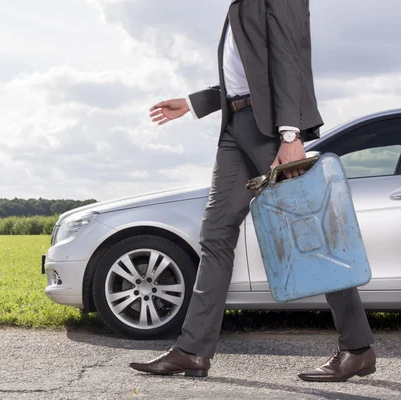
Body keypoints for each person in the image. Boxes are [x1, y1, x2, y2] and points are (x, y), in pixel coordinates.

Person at [129, 0, 376, 382]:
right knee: (215, 234)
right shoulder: (239, 5)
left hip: (271, 131)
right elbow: (248, 77)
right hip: (236, 126)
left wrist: (290, 134)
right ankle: (192, 351)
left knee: (313, 233)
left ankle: (357, 349)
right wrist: (195, 103)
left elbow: (289, 58)